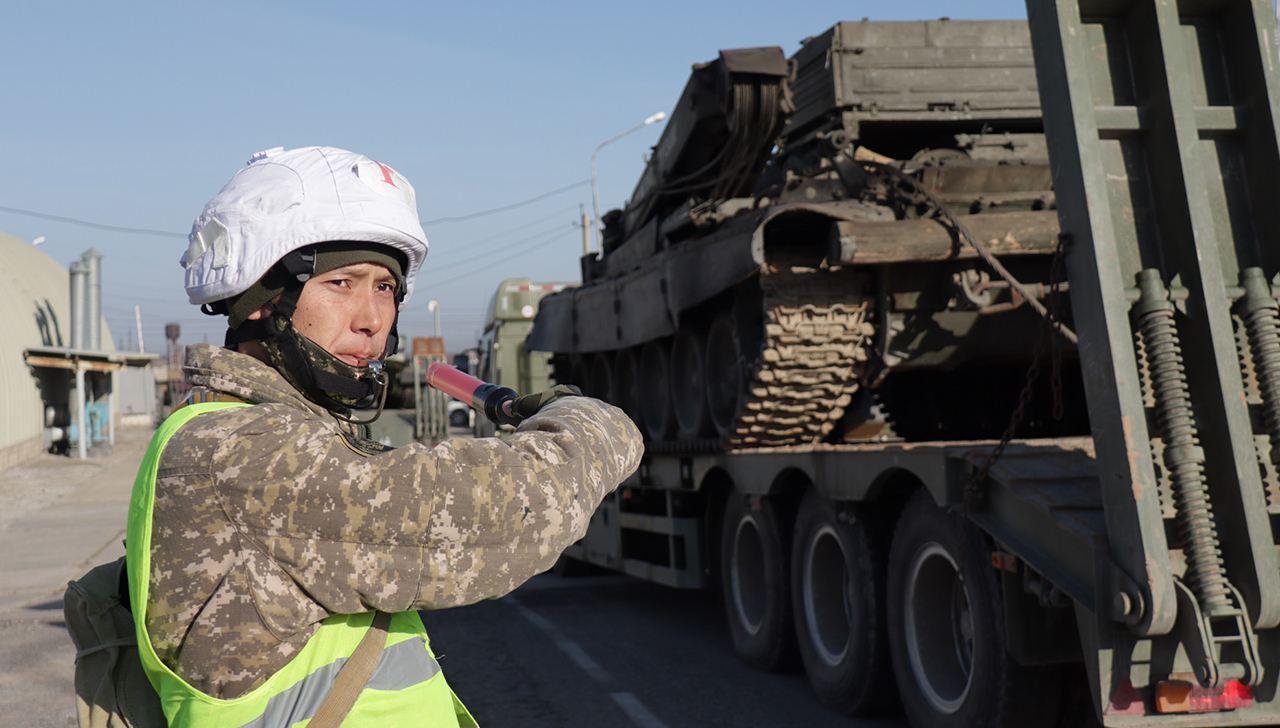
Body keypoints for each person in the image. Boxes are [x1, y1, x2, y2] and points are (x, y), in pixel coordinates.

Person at [124, 146, 643, 727]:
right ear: (257, 297)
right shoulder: (241, 450)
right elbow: (512, 510)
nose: (372, 317)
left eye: (386, 288)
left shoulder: (242, 429)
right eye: (341, 282)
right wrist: (595, 422)